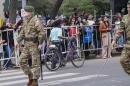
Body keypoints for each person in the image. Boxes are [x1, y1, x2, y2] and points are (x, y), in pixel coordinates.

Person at [15, 6, 45, 86]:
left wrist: (40, 43)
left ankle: (35, 81)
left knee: (35, 63)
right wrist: (17, 41)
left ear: (31, 12)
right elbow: (22, 32)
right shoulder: (25, 21)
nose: (25, 13)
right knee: (21, 61)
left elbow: (41, 33)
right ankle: (30, 75)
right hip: (27, 44)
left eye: (26, 12)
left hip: (34, 44)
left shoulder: (36, 21)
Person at [112, 0, 130, 76]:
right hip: (128, 43)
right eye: (128, 7)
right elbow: (120, 30)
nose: (129, 8)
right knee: (123, 60)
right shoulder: (124, 18)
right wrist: (114, 40)